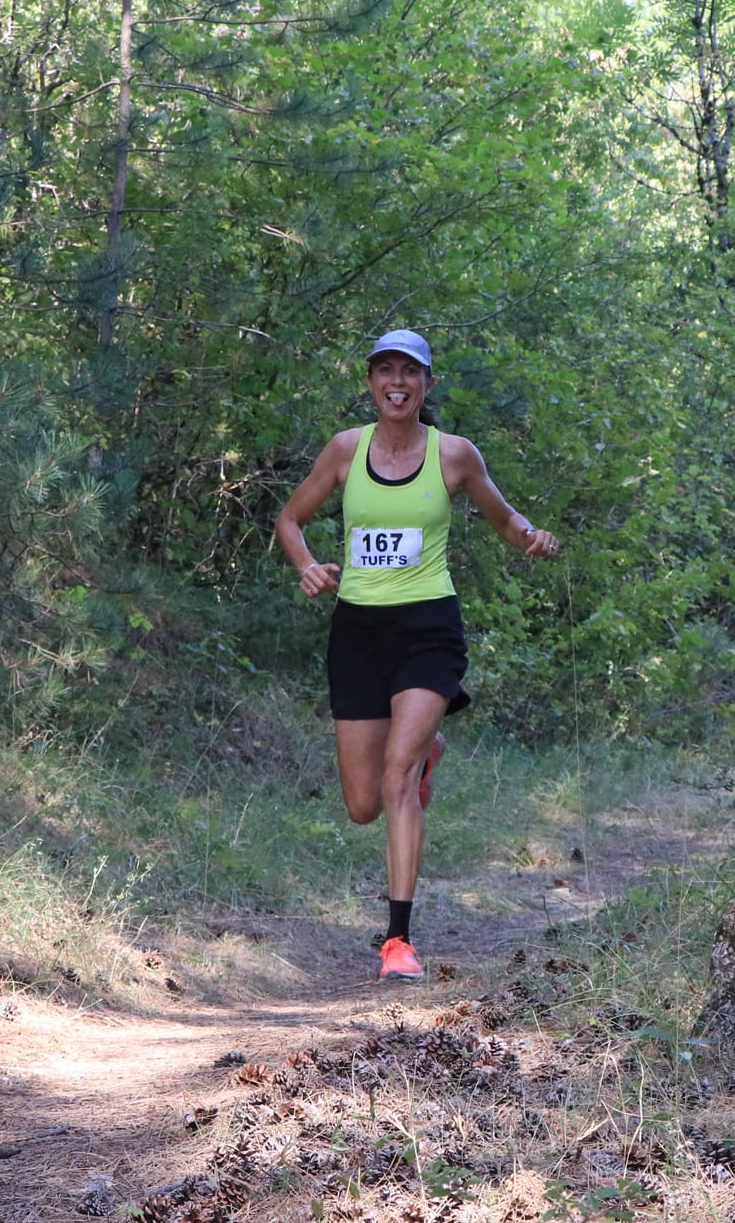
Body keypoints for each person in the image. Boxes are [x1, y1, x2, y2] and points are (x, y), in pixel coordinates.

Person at [274, 329, 561, 981]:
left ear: (428, 385)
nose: (396, 381)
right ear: (372, 383)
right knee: (362, 803)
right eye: (385, 371)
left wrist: (534, 539)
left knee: (397, 777)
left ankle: (397, 941)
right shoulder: (346, 451)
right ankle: (421, 752)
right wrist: (308, 566)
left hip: (429, 627)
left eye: (410, 371)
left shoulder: (454, 455)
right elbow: (289, 519)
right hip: (358, 633)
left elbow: (505, 520)